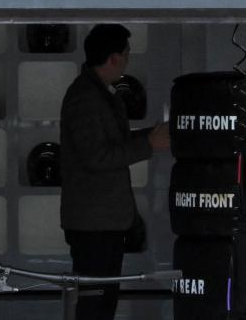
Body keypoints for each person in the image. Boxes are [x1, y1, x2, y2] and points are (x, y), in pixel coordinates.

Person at [60, 24, 170, 320]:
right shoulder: (85, 97)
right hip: (92, 225)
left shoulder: (100, 93)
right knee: (93, 306)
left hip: (104, 222)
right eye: (126, 53)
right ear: (114, 58)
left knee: (103, 304)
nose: (128, 60)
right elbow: (97, 155)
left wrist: (153, 136)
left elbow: (113, 144)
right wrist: (148, 143)